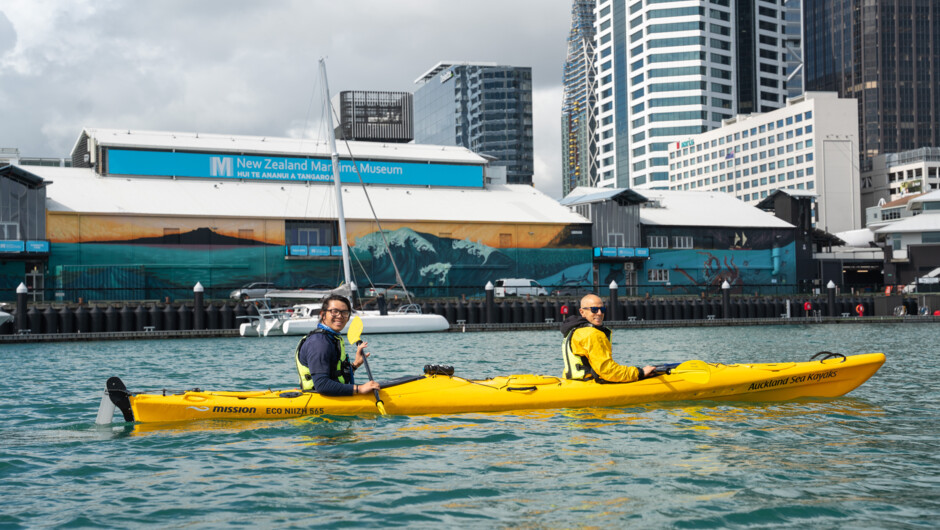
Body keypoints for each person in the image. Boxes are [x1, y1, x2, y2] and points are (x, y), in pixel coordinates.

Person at [294, 294, 380, 396]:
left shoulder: (330, 338)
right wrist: (359, 388)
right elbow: (322, 385)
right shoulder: (319, 342)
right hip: (320, 398)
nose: (340, 316)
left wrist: (355, 364)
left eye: (345, 312)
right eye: (334, 311)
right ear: (323, 314)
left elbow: (335, 375)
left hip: (331, 395)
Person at [561, 293, 656, 382]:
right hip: (589, 384)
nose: (599, 313)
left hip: (571, 382)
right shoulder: (592, 334)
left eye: (602, 309)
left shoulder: (574, 331)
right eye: (594, 309)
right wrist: (640, 372)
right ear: (582, 312)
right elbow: (607, 371)